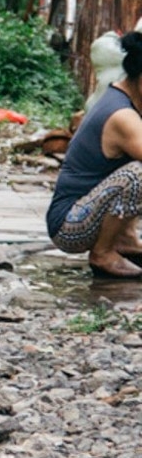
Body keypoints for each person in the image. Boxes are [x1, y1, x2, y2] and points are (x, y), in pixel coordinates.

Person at [47, 31, 142, 278]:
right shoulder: (123, 116)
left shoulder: (124, 97)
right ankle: (103, 253)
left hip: (87, 212)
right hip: (69, 226)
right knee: (138, 174)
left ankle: (124, 239)